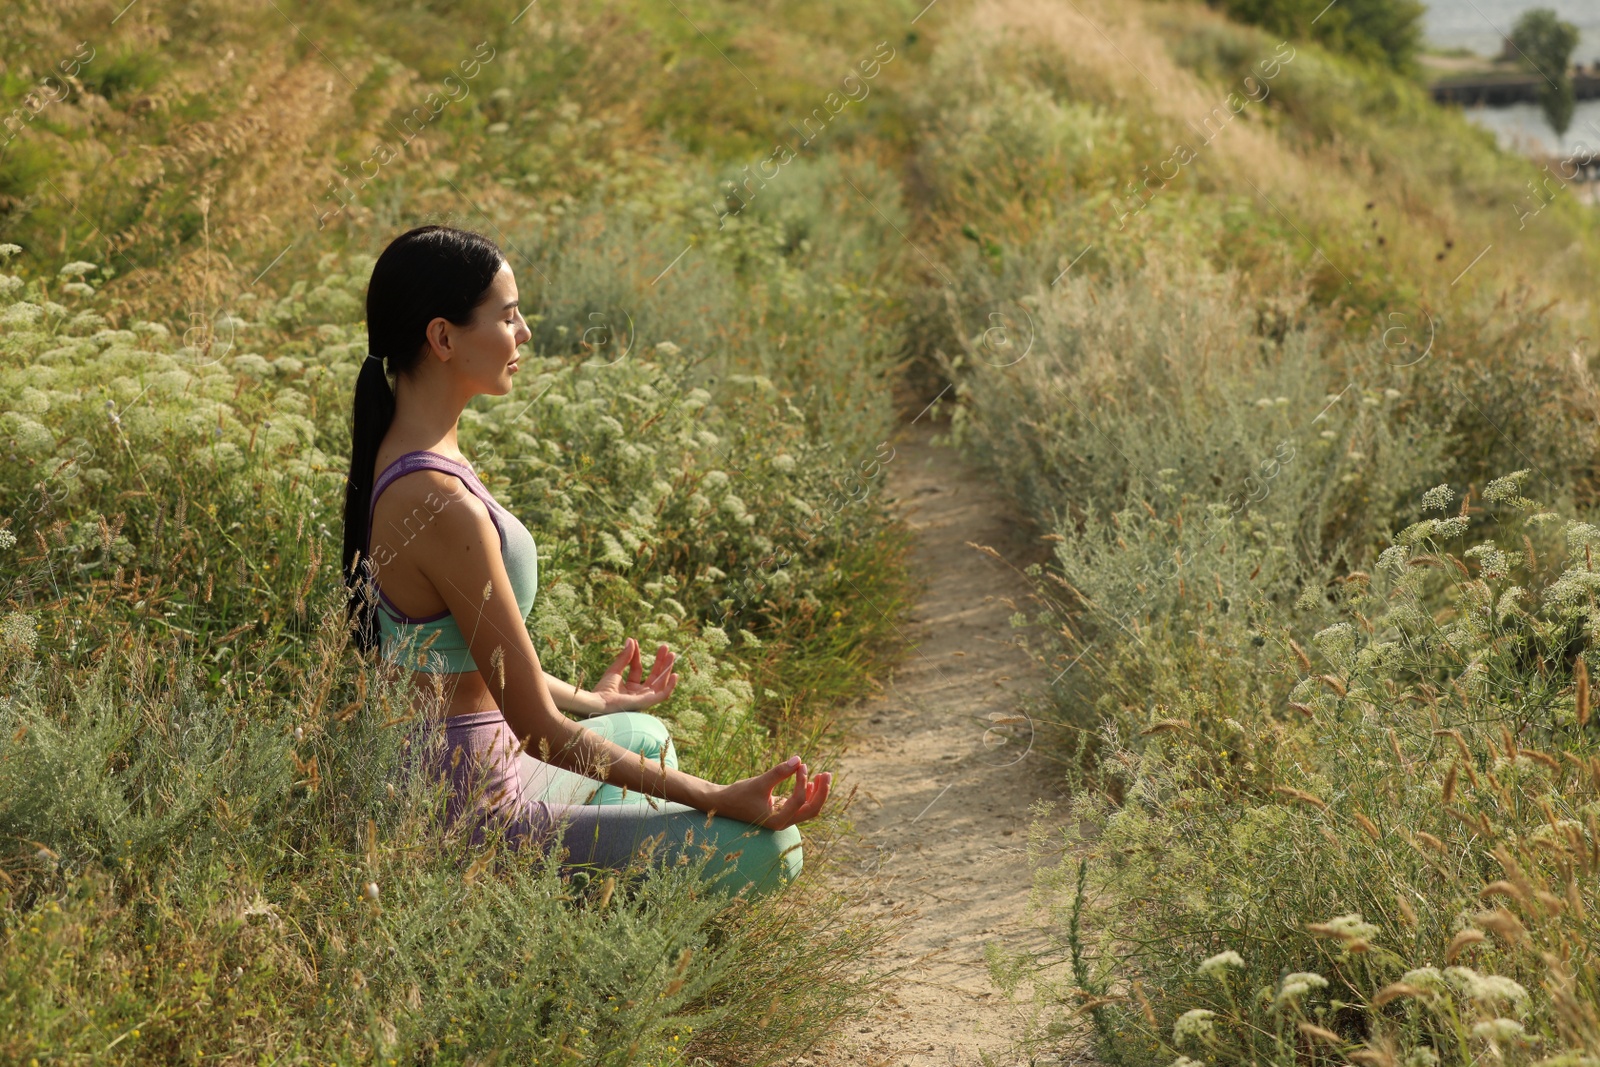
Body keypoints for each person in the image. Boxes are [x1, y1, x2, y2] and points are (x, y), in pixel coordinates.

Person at [338, 224, 829, 897]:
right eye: (509, 317)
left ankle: (608, 888)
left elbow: (488, 669)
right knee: (773, 848)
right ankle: (572, 919)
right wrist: (719, 797)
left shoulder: (410, 456)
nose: (526, 333)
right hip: (472, 821)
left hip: (486, 765)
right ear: (443, 338)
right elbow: (539, 730)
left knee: (642, 732)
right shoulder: (436, 500)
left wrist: (594, 699)